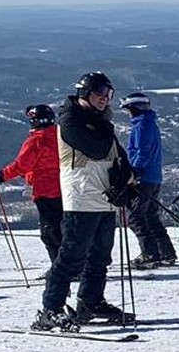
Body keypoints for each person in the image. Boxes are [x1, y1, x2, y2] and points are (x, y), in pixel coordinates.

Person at [32, 71, 133, 331]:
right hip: (81, 197)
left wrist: (126, 178)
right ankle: (50, 308)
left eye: (109, 93)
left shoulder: (100, 121)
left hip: (104, 196)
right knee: (71, 256)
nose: (105, 98)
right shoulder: (70, 121)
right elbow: (97, 149)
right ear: (84, 92)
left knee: (100, 257)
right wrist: (105, 126)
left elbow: (117, 155)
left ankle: (90, 301)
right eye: (100, 92)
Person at [0, 104, 64, 262]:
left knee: (50, 233)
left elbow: (21, 165)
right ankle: (74, 265)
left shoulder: (37, 140)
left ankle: (61, 268)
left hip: (45, 190)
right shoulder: (61, 136)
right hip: (66, 188)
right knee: (63, 229)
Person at [122, 91, 176, 267]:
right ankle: (165, 252)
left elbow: (142, 152)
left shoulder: (142, 125)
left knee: (136, 218)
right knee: (150, 216)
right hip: (153, 178)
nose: (126, 113)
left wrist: (135, 172)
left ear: (134, 108)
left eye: (127, 109)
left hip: (143, 179)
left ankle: (150, 254)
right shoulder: (150, 123)